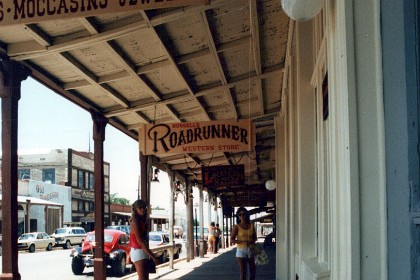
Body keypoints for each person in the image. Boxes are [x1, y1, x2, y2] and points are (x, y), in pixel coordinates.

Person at [129, 199, 160, 280]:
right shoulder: (135, 221)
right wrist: (153, 257)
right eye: (140, 207)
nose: (142, 209)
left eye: (144, 207)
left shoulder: (141, 220)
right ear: (135, 209)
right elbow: (141, 242)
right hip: (138, 251)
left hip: (141, 251)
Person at [230, 207, 257, 280]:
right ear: (238, 216)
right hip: (241, 251)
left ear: (246, 215)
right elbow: (232, 240)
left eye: (244, 214)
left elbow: (255, 238)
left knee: (252, 270)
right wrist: (241, 241)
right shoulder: (236, 227)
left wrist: (252, 241)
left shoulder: (251, 226)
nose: (242, 216)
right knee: (243, 271)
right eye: (240, 214)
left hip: (251, 250)